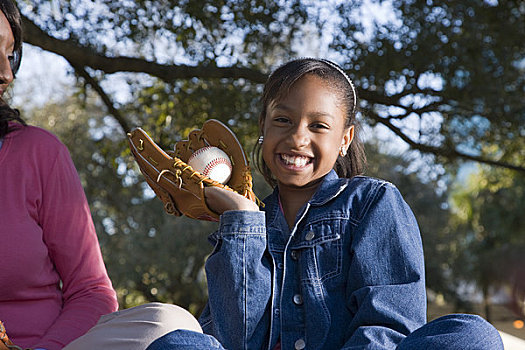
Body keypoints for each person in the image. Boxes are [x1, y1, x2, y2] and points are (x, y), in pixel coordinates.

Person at [144, 58, 504, 349]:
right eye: (282, 120)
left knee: (472, 335)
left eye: (318, 126)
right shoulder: (247, 225)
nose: (297, 137)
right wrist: (241, 220)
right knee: (176, 343)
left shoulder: (372, 203)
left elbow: (389, 324)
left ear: (345, 138)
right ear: (263, 127)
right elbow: (236, 340)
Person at [0, 1, 118, 349]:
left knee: (168, 322)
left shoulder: (39, 153)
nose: (6, 73)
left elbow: (93, 292)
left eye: (10, 55)